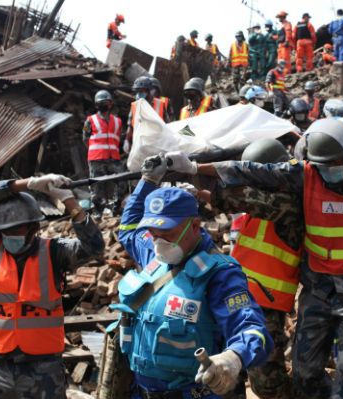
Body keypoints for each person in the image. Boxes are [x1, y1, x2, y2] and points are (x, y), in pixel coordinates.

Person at [166, 118, 343, 398]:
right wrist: (195, 168)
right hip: (318, 291)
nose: (325, 171)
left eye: (331, 164)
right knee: (305, 373)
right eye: (320, 165)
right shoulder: (306, 176)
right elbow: (251, 172)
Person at [113, 154, 272, 399]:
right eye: (152, 232)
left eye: (167, 232)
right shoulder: (154, 255)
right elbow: (128, 229)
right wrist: (148, 180)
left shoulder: (220, 274)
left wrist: (234, 357)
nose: (158, 241)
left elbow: (252, 328)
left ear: (195, 226)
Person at [0, 175, 105, 398]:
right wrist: (31, 183)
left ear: (33, 228)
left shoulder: (55, 252)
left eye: (17, 230)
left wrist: (70, 203)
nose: (11, 236)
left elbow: (94, 247)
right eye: (6, 231)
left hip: (43, 368)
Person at [230, 140, 301, 399]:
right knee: (228, 372)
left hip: (267, 303)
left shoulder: (287, 203)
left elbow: (231, 197)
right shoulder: (262, 198)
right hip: (236, 296)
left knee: (266, 381)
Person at [83, 90, 125, 217]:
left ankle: (116, 207)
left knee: (121, 182)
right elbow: (85, 138)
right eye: (101, 103)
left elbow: (118, 137)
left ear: (111, 104)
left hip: (114, 157)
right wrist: (95, 150)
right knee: (96, 185)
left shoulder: (118, 121)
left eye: (106, 102)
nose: (104, 105)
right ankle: (97, 210)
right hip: (96, 158)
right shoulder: (90, 120)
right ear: (96, 105)